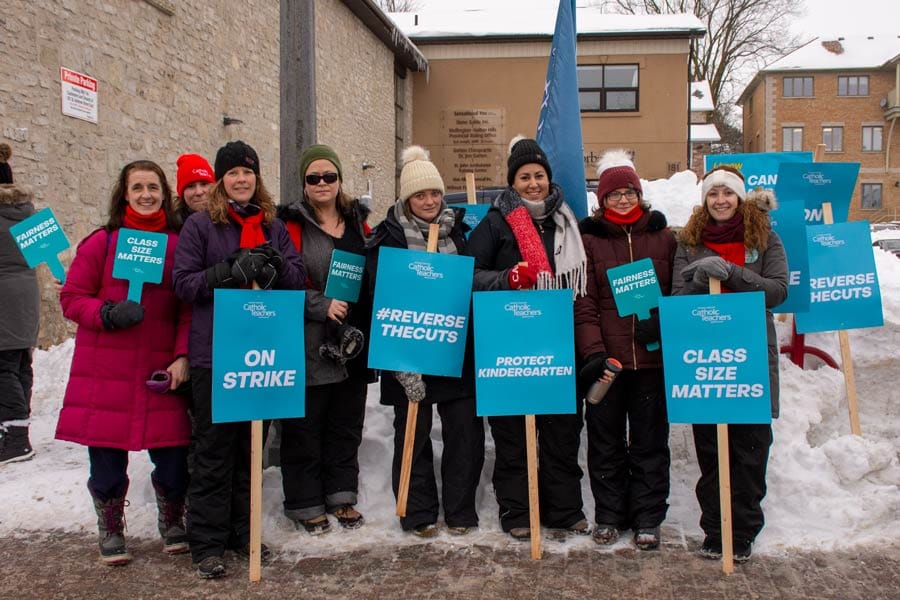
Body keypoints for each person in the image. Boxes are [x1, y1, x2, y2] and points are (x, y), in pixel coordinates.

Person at [173, 140, 305, 578]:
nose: (241, 180)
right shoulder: (200, 226)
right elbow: (185, 284)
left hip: (264, 353)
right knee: (214, 451)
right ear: (221, 180)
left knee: (252, 449)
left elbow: (296, 275)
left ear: (257, 178)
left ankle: (243, 532)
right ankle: (207, 542)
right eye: (232, 173)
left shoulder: (272, 224)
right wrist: (227, 272)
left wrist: (273, 266)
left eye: (248, 173)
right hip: (217, 353)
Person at [56, 160, 192, 565]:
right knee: (107, 463)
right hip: (107, 371)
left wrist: (182, 355)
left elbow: (188, 309)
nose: (146, 195)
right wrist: (107, 313)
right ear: (125, 194)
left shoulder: (177, 243)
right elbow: (73, 298)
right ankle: (111, 527)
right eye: (138, 188)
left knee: (172, 458)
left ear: (164, 194)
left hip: (159, 367)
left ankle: (172, 519)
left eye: (153, 187)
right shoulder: (103, 242)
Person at [466, 136, 588, 540]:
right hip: (510, 346)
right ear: (512, 182)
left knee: (561, 432)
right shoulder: (495, 222)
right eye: (524, 177)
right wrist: (507, 278)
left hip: (557, 344)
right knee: (514, 436)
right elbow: (468, 275)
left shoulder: (566, 220)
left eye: (539, 175)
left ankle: (565, 510)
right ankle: (517, 511)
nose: (533, 183)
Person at [366, 145, 484, 538]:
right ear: (406, 199)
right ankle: (417, 513)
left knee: (463, 432)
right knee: (412, 434)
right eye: (420, 195)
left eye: (434, 193)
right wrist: (398, 363)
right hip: (408, 351)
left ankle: (460, 511)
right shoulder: (388, 240)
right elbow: (375, 300)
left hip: (456, 349)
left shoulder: (462, 234)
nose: (430, 201)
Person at [672, 165, 787, 563]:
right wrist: (699, 281)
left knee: (750, 451)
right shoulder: (689, 241)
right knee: (712, 451)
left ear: (740, 198)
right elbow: (677, 295)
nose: (720, 200)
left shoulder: (765, 237)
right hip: (705, 360)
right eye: (712, 194)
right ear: (704, 200)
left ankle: (743, 531)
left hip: (750, 359)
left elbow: (778, 291)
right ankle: (715, 529)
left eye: (727, 193)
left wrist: (733, 273)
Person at [573, 150, 676, 550]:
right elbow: (584, 301)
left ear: (639, 193)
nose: (622, 200)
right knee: (606, 443)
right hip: (609, 364)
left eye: (628, 192)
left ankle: (648, 517)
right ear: (602, 200)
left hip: (652, 360)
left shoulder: (663, 238)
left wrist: (662, 320)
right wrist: (594, 352)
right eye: (613, 194)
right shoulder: (589, 241)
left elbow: (676, 292)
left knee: (651, 442)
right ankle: (610, 515)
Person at [275, 144, 373, 535]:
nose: (321, 183)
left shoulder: (357, 224)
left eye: (328, 176)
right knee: (305, 424)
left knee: (345, 422)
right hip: (307, 340)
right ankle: (304, 501)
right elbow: (278, 282)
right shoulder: (289, 226)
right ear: (304, 183)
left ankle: (341, 494)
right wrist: (319, 305)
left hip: (351, 341)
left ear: (339, 180)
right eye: (313, 177)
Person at [0, 181, 40, 465]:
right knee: (20, 364)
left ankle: (15, 440)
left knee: (3, 368)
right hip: (27, 293)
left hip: (3, 295)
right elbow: (43, 256)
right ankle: (16, 430)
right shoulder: (29, 213)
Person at [174, 153, 215, 225]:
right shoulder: (173, 226)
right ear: (182, 194)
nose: (199, 192)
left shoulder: (231, 220)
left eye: (204, 184)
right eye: (191, 186)